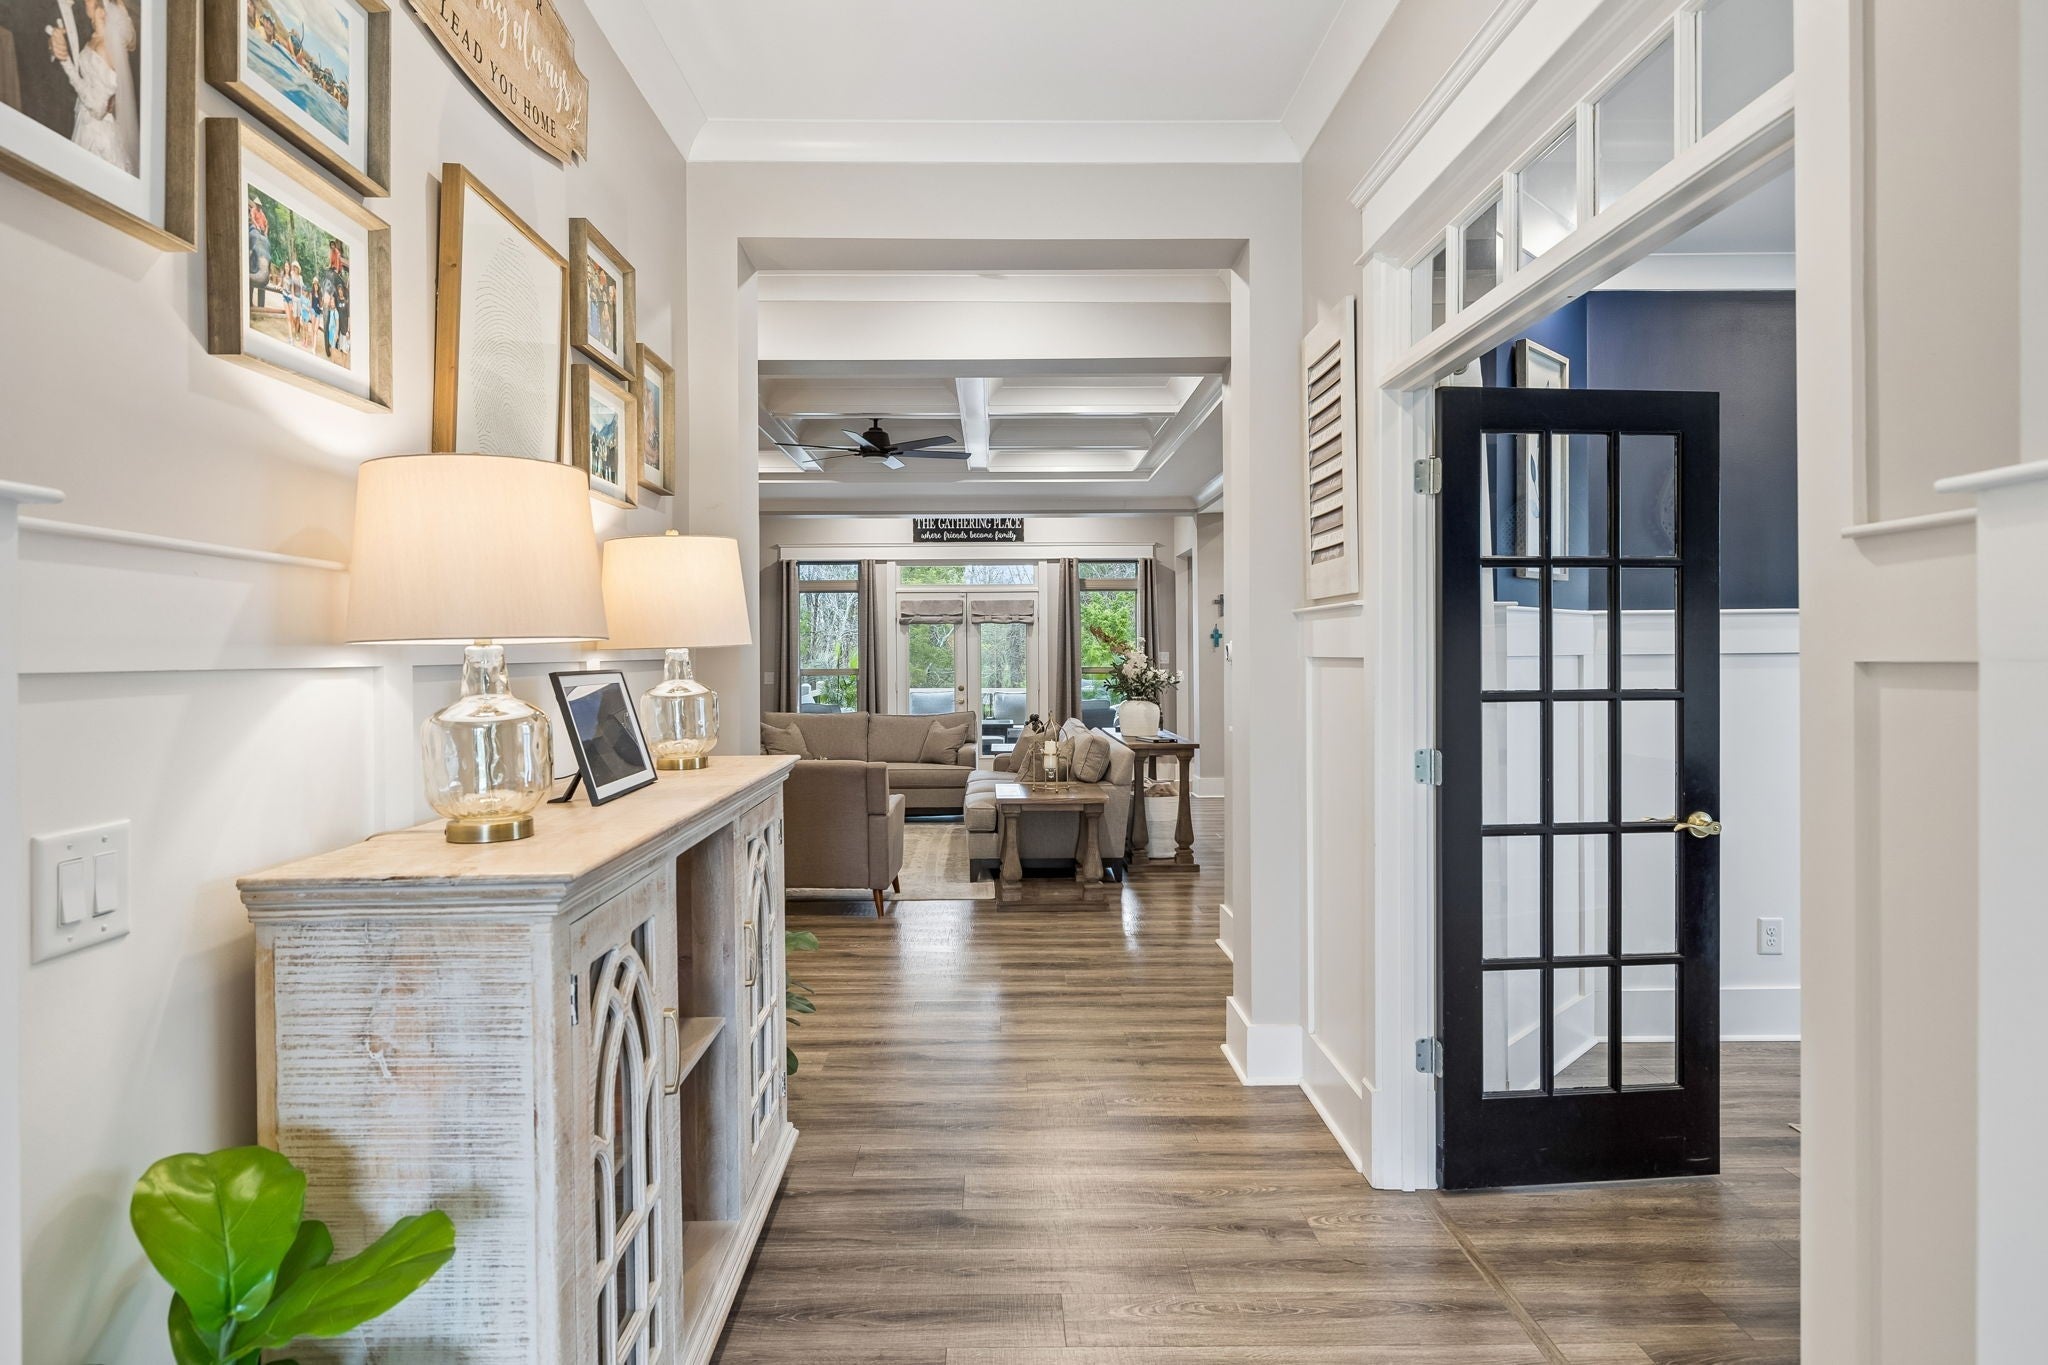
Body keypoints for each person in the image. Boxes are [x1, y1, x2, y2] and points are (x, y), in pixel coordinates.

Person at [47, 0, 139, 175]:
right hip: (69, 120)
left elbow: (99, 106)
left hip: (94, 129)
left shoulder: (103, 41)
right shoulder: (91, 34)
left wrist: (66, 63)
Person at [248, 198, 271, 311]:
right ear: (256, 204)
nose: (259, 206)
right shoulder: (253, 210)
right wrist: (256, 226)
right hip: (254, 230)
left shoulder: (262, 214)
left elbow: (267, 224)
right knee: (252, 236)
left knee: (267, 242)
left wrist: (265, 232)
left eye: (259, 205)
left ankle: (261, 307)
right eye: (258, 205)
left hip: (262, 234)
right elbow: (252, 219)